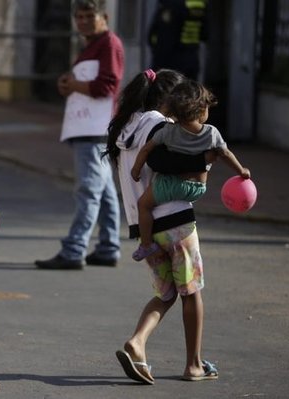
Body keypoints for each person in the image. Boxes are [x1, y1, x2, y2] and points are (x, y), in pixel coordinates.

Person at [105, 69, 218, 383]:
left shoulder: (125, 127)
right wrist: (206, 160)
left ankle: (137, 342)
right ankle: (193, 364)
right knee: (191, 292)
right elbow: (167, 164)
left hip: (144, 229)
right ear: (170, 99)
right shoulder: (161, 127)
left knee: (166, 293)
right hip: (176, 222)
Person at [35, 0, 122, 270]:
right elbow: (88, 82)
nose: (83, 21)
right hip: (88, 128)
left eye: (89, 16)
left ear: (103, 17)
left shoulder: (108, 43)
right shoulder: (92, 45)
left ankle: (74, 250)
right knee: (104, 191)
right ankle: (108, 247)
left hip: (94, 129)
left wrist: (74, 84)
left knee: (88, 191)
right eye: (79, 17)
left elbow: (108, 85)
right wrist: (69, 84)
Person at [130, 79, 250, 261]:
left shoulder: (168, 131)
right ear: (202, 110)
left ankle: (146, 245)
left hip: (169, 186)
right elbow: (225, 154)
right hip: (197, 188)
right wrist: (241, 171)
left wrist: (136, 169)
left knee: (143, 205)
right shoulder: (211, 133)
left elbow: (146, 150)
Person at [148, 0, 208, 80]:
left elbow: (165, 38)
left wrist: (157, 69)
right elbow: (205, 35)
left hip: (172, 61)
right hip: (192, 58)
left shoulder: (172, 5)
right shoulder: (201, 5)